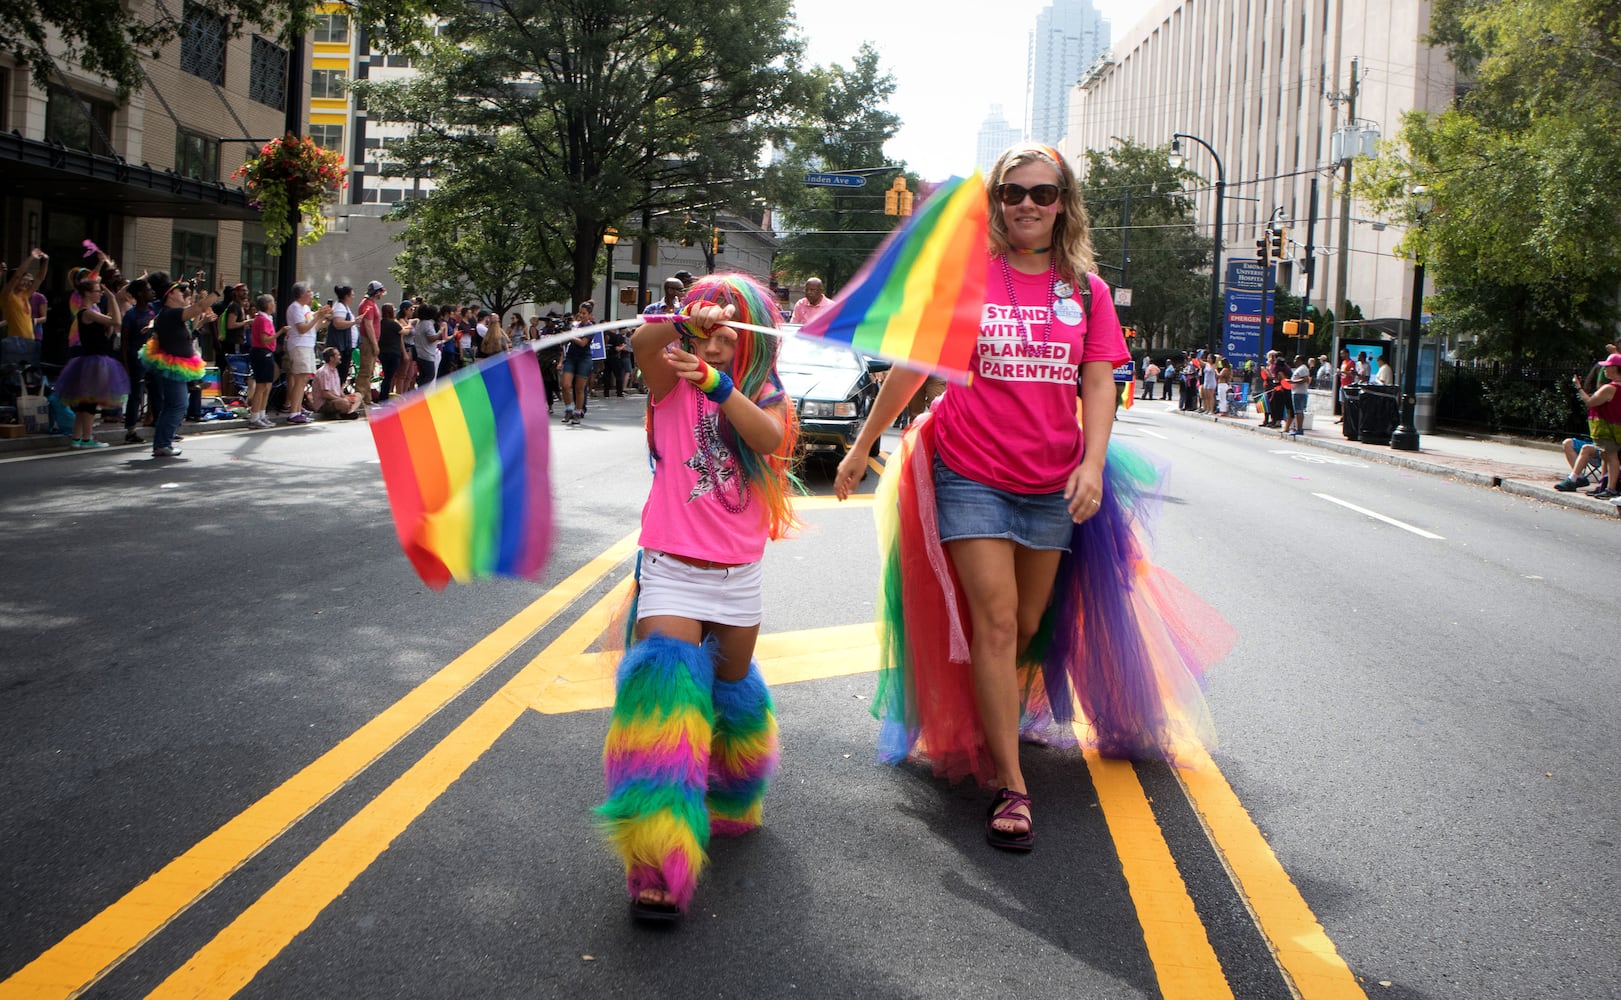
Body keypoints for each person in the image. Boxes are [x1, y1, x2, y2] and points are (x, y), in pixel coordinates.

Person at [831, 143, 1223, 852]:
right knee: (998, 620)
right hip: (969, 469)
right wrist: (863, 446)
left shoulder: (1087, 291)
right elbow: (913, 368)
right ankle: (1011, 787)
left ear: (1063, 203)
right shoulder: (969, 278)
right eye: (1012, 193)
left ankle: (997, 711)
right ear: (996, 201)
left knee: (1029, 623)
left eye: (1042, 194)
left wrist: (1093, 463)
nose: (1026, 206)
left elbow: (1098, 380)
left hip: (1051, 480)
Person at [599, 272, 799, 922]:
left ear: (750, 337)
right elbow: (640, 344)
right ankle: (655, 855)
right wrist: (682, 319)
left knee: (729, 686)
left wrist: (719, 384)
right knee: (663, 695)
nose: (712, 342)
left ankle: (730, 787)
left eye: (726, 329)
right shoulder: (668, 381)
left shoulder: (766, 395)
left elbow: (766, 441)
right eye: (703, 328)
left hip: (737, 576)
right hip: (672, 568)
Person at [141, 272, 217, 458]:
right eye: (178, 291)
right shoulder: (171, 314)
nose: (182, 294)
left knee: (172, 405)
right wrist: (217, 292)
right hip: (173, 367)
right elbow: (199, 307)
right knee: (178, 405)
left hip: (177, 366)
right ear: (170, 295)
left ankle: (161, 443)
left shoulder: (171, 315)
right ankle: (162, 444)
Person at [55, 269, 129, 448]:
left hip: (93, 359)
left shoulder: (91, 311)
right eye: (97, 291)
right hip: (93, 360)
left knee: (84, 401)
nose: (100, 294)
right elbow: (117, 322)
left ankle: (77, 437)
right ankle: (87, 438)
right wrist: (113, 298)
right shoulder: (86, 312)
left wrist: (112, 300)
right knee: (89, 400)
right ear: (87, 293)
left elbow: (112, 323)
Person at [1573, 355, 1621, 499]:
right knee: (1606, 456)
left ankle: (1610, 489)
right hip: (1616, 428)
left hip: (1608, 429)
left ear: (1614, 368)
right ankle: (1604, 486)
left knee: (1611, 457)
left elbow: (1590, 402)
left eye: (1607, 366)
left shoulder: (1610, 388)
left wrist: (1578, 387)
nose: (1604, 369)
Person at [284, 284, 331, 423]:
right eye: (309, 292)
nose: (311, 294)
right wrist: (318, 317)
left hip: (308, 345)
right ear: (302, 294)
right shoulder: (295, 308)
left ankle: (298, 408)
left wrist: (325, 319)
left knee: (304, 379)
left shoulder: (306, 309)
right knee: (300, 379)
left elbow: (313, 328)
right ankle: (294, 412)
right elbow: (302, 329)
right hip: (299, 345)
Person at [120, 279, 158, 444]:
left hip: (153, 359)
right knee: (135, 395)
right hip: (136, 360)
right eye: (149, 290)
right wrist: (126, 365)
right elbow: (124, 343)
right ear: (141, 294)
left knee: (157, 393)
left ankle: (160, 427)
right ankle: (130, 430)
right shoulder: (131, 315)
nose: (152, 292)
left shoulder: (152, 310)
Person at [559, 301, 596, 424]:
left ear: (590, 315)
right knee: (565, 385)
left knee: (579, 388)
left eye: (584, 313)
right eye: (580, 312)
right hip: (571, 357)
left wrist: (570, 336)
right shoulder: (575, 325)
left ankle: (577, 412)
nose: (581, 315)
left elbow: (582, 343)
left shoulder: (591, 327)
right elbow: (566, 343)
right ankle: (568, 409)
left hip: (584, 358)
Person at [245, 294, 279, 427]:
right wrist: (280, 332)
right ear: (269, 304)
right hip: (261, 352)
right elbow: (265, 340)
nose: (274, 305)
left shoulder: (267, 318)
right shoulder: (262, 319)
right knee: (261, 385)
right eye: (273, 302)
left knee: (267, 385)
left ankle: (261, 413)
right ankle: (254, 416)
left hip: (267, 352)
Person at [2, 248, 46, 340]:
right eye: (23, 280)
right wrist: (31, 257)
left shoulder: (25, 295)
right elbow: (17, 275)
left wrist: (46, 260)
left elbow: (40, 278)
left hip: (30, 340)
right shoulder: (7, 295)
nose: (26, 283)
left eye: (27, 280)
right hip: (15, 342)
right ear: (13, 281)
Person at [355, 281, 386, 407]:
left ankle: (367, 399)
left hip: (370, 341)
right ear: (376, 292)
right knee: (365, 371)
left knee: (369, 371)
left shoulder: (370, 304)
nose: (381, 294)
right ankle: (361, 398)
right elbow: (368, 325)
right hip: (368, 341)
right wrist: (375, 344)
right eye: (380, 292)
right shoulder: (368, 305)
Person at [309, 347, 363, 418]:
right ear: (331, 358)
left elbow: (338, 391)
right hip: (325, 403)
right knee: (344, 403)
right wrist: (341, 399)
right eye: (338, 355)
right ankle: (343, 412)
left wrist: (346, 397)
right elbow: (325, 394)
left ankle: (346, 412)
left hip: (335, 399)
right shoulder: (324, 372)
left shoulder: (335, 370)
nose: (340, 357)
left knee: (358, 396)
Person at [327, 286, 357, 386]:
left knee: (343, 372)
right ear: (346, 296)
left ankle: (339, 391)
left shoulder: (344, 307)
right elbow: (338, 323)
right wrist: (354, 322)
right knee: (340, 371)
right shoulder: (340, 307)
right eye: (352, 295)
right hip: (341, 345)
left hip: (346, 346)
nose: (353, 297)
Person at [376, 302, 404, 403]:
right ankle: (383, 397)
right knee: (389, 376)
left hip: (383, 352)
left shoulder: (381, 323)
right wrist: (409, 325)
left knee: (387, 374)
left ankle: (383, 395)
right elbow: (403, 331)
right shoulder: (393, 324)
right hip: (393, 352)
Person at [410, 303, 443, 388]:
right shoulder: (428, 324)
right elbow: (431, 338)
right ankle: (420, 393)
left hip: (420, 353)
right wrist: (440, 331)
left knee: (422, 375)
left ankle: (419, 393)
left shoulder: (419, 322)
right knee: (429, 375)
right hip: (428, 354)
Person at [1289, 354, 1311, 435]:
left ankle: (1299, 429)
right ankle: (1297, 428)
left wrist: (1292, 382)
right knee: (1297, 411)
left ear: (1300, 360)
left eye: (1296, 359)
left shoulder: (1303, 369)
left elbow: (1305, 379)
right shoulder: (1299, 369)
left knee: (1298, 411)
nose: (1294, 361)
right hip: (1296, 392)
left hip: (1299, 393)